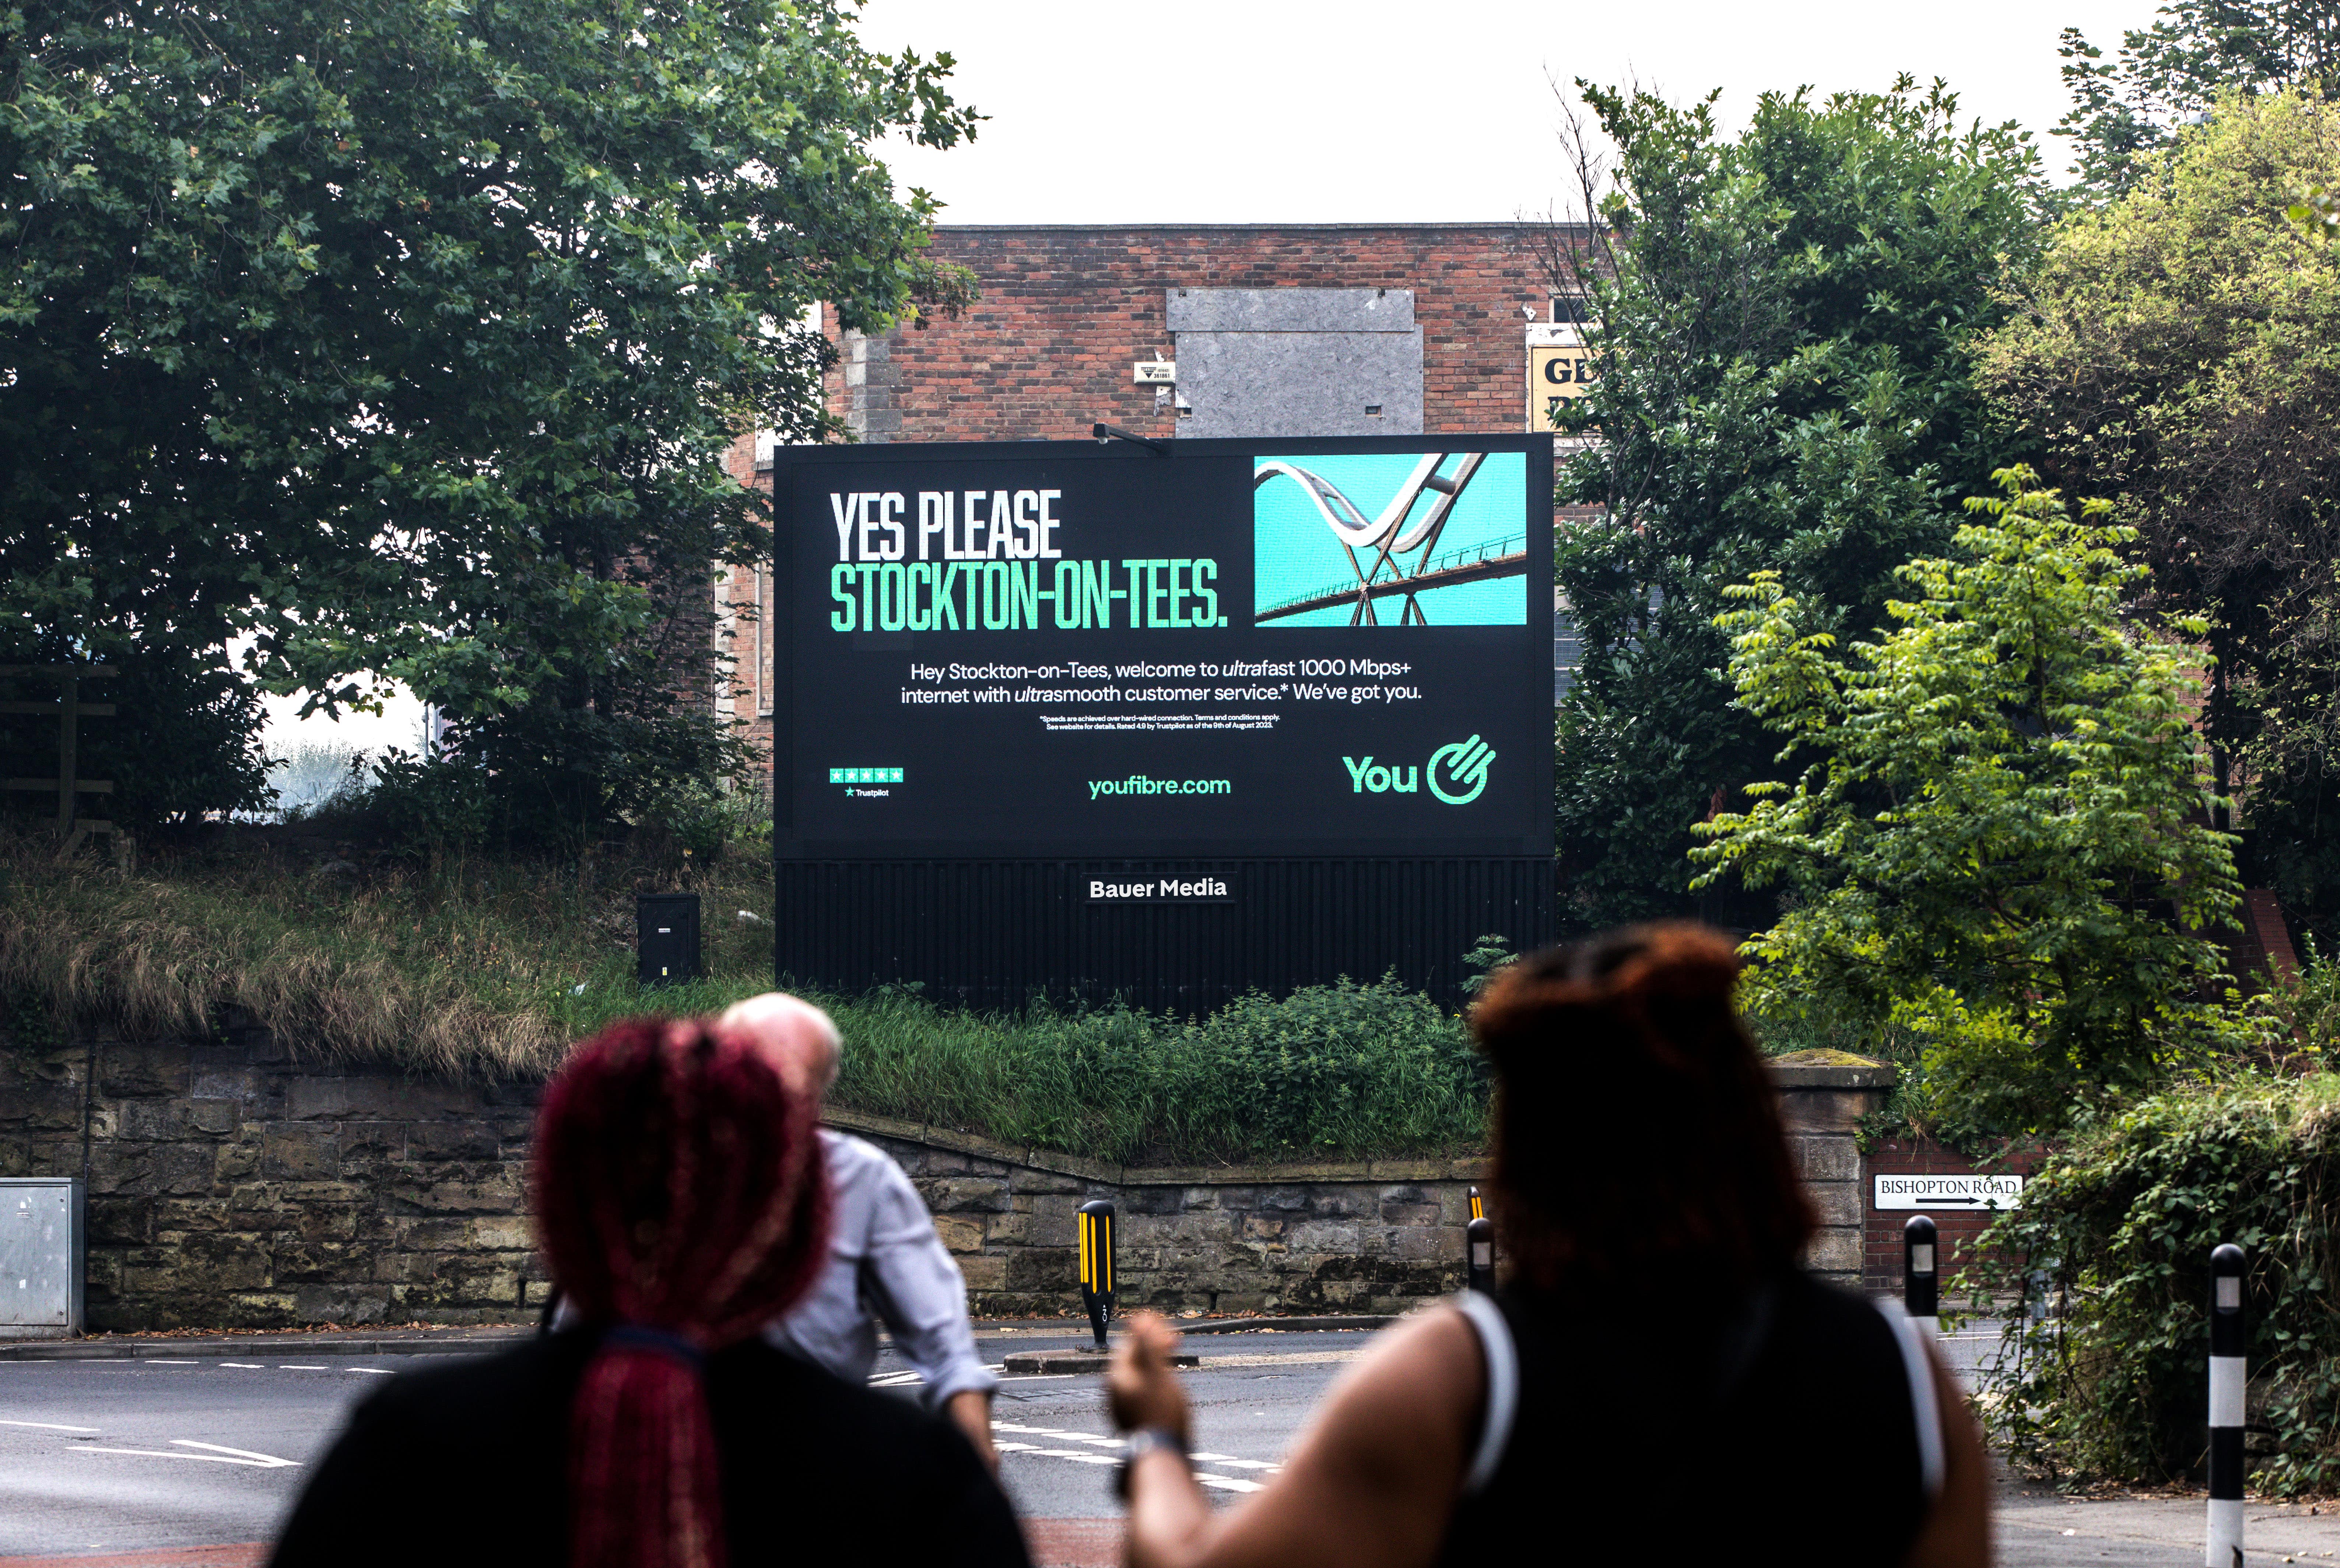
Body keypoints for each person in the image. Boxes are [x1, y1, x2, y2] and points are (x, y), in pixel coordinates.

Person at [1105, 924, 1990, 1568]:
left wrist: (1159, 1439)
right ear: (1749, 1118)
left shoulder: (1453, 1378)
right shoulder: (1906, 1375)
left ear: (1528, 1145)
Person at [269, 1013, 1028, 1568]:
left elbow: (942, 1336)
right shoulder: (906, 1475)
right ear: (799, 1221)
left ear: (563, 1202)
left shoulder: (412, 1443)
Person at [718, 992, 1001, 1468]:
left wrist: (974, 1444)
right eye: (751, 1076)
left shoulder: (863, 1179)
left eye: (790, 1090)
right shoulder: (658, 1168)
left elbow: (941, 1336)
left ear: (818, 1093)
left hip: (817, 1448)